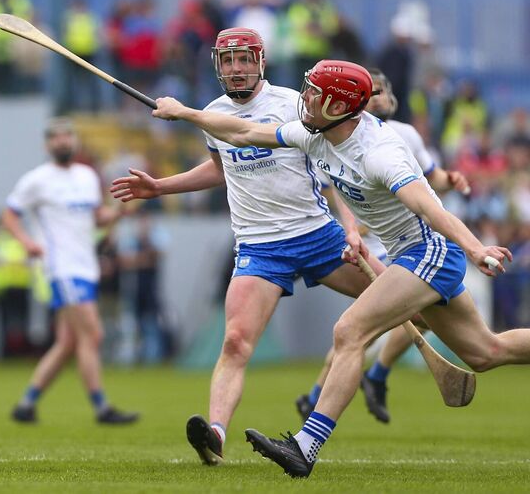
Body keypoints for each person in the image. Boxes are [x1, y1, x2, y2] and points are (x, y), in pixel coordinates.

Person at [151, 60, 521, 479]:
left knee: (350, 331)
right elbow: (244, 132)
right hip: (408, 254)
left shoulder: (381, 154)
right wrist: (186, 113)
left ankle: (304, 449)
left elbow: (430, 209)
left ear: (336, 104)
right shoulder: (316, 135)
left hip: (429, 251)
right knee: (486, 352)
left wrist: (475, 248)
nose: (303, 99)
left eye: (311, 93)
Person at [110, 28, 382, 465]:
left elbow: (330, 172)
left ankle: (464, 349)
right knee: (235, 343)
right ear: (217, 66)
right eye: (228, 61)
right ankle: (215, 436)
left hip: (317, 235)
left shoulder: (295, 103)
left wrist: (350, 226)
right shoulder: (213, 113)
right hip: (259, 246)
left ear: (260, 62)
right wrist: (160, 187)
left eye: (244, 60)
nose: (236, 70)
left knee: (404, 301)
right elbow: (220, 167)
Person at [296, 68, 471, 424]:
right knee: (356, 330)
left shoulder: (400, 136)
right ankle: (333, 390)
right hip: (374, 242)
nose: (379, 97)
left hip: (418, 244)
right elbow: (337, 185)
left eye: (382, 89)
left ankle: (369, 378)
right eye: (372, 91)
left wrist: (450, 182)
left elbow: (426, 188)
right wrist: (351, 230)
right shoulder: (330, 135)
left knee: (359, 329)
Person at [4, 117, 138, 425]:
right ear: (47, 144)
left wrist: (119, 211)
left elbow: (97, 218)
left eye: (67, 136)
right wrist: (27, 242)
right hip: (61, 268)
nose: (63, 142)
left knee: (67, 343)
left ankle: (26, 405)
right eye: (56, 138)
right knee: (93, 333)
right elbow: (10, 216)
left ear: (74, 141)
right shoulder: (37, 180)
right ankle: (102, 408)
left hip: (86, 267)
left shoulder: (87, 176)